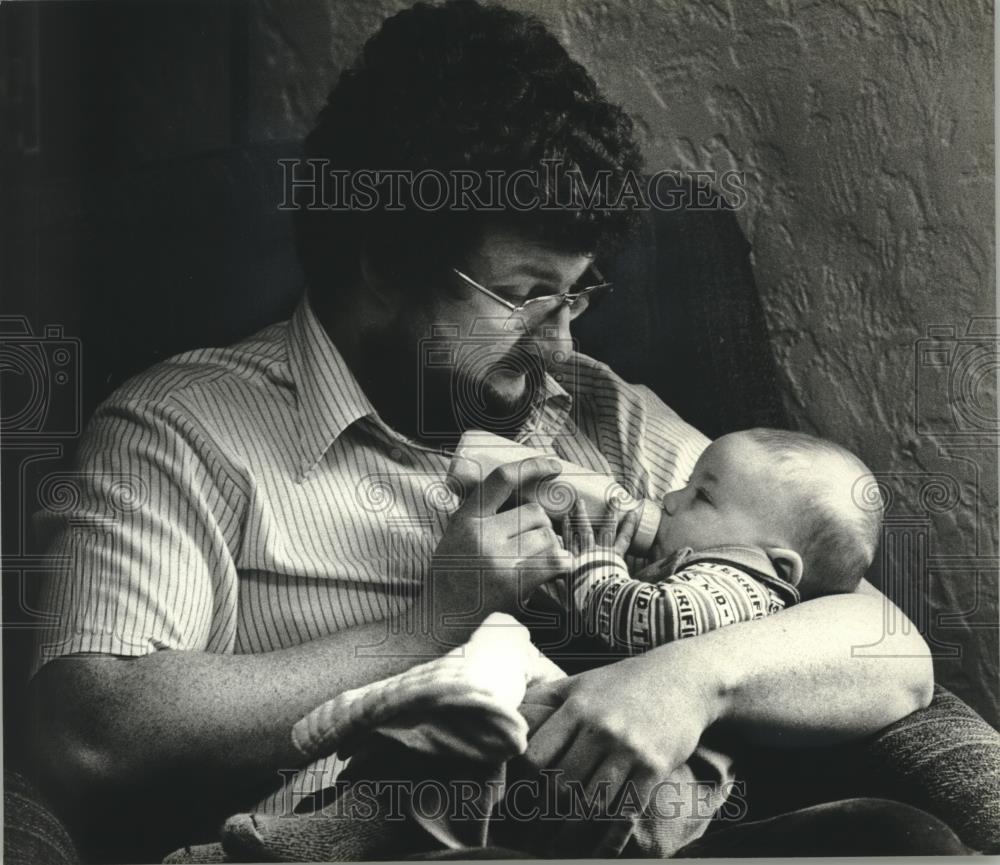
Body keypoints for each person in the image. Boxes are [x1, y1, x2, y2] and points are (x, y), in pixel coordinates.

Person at [25, 1, 946, 860]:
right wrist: (430, 626)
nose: (561, 342)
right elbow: (87, 733)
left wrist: (692, 678)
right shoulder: (183, 432)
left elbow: (886, 645)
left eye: (576, 292)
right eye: (522, 295)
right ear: (385, 262)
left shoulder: (600, 412)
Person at [559, 428, 883, 653]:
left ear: (779, 567)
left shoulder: (739, 587)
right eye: (687, 484)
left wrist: (596, 566)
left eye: (701, 496)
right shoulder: (723, 578)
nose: (670, 499)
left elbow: (652, 616)